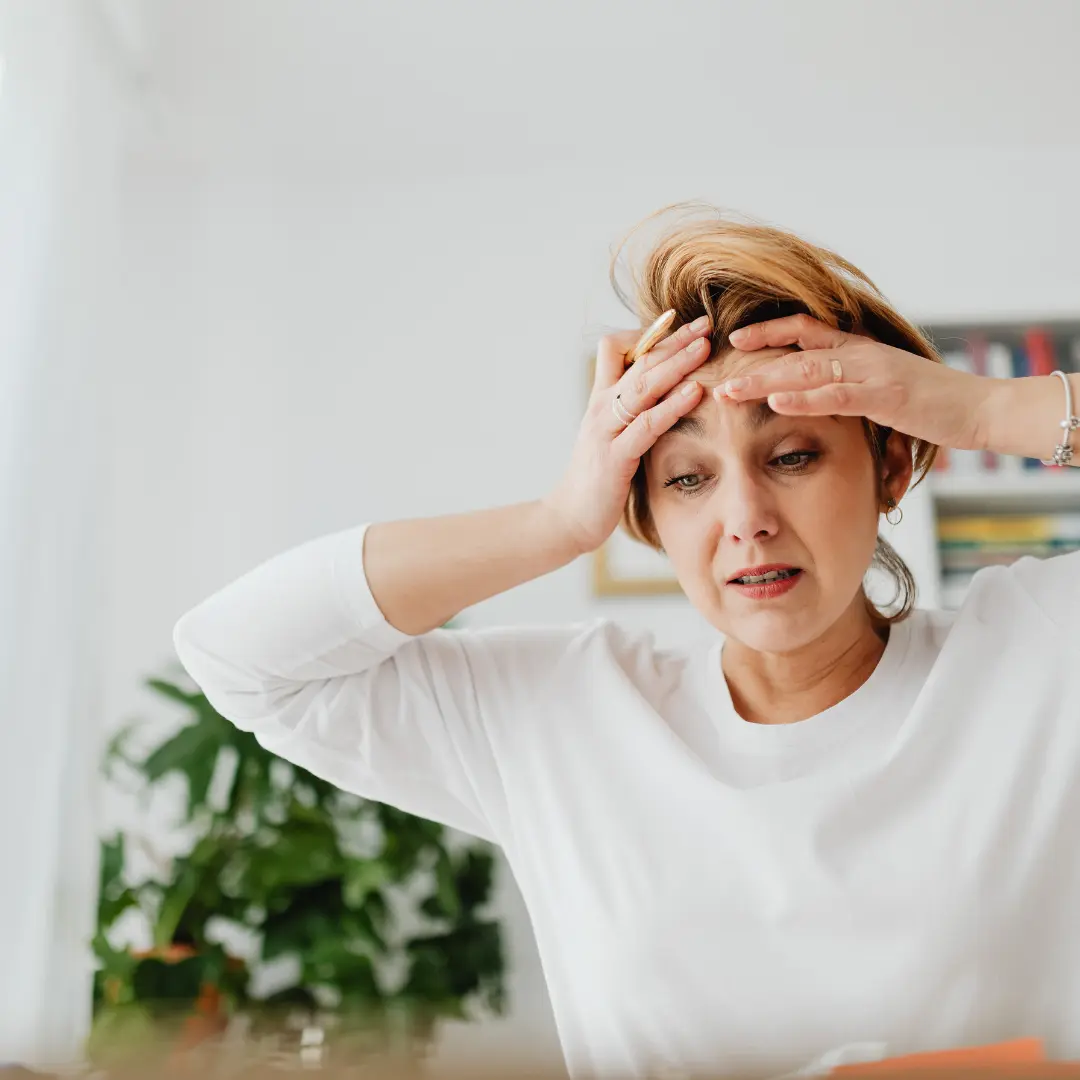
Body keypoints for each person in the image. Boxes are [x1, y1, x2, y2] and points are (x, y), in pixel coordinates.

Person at [172, 206, 1080, 1080]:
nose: (747, 521)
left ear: (886, 466)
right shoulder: (564, 712)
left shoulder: (1034, 661)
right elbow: (240, 657)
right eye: (688, 478)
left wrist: (988, 413)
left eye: (793, 456)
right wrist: (555, 523)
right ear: (641, 511)